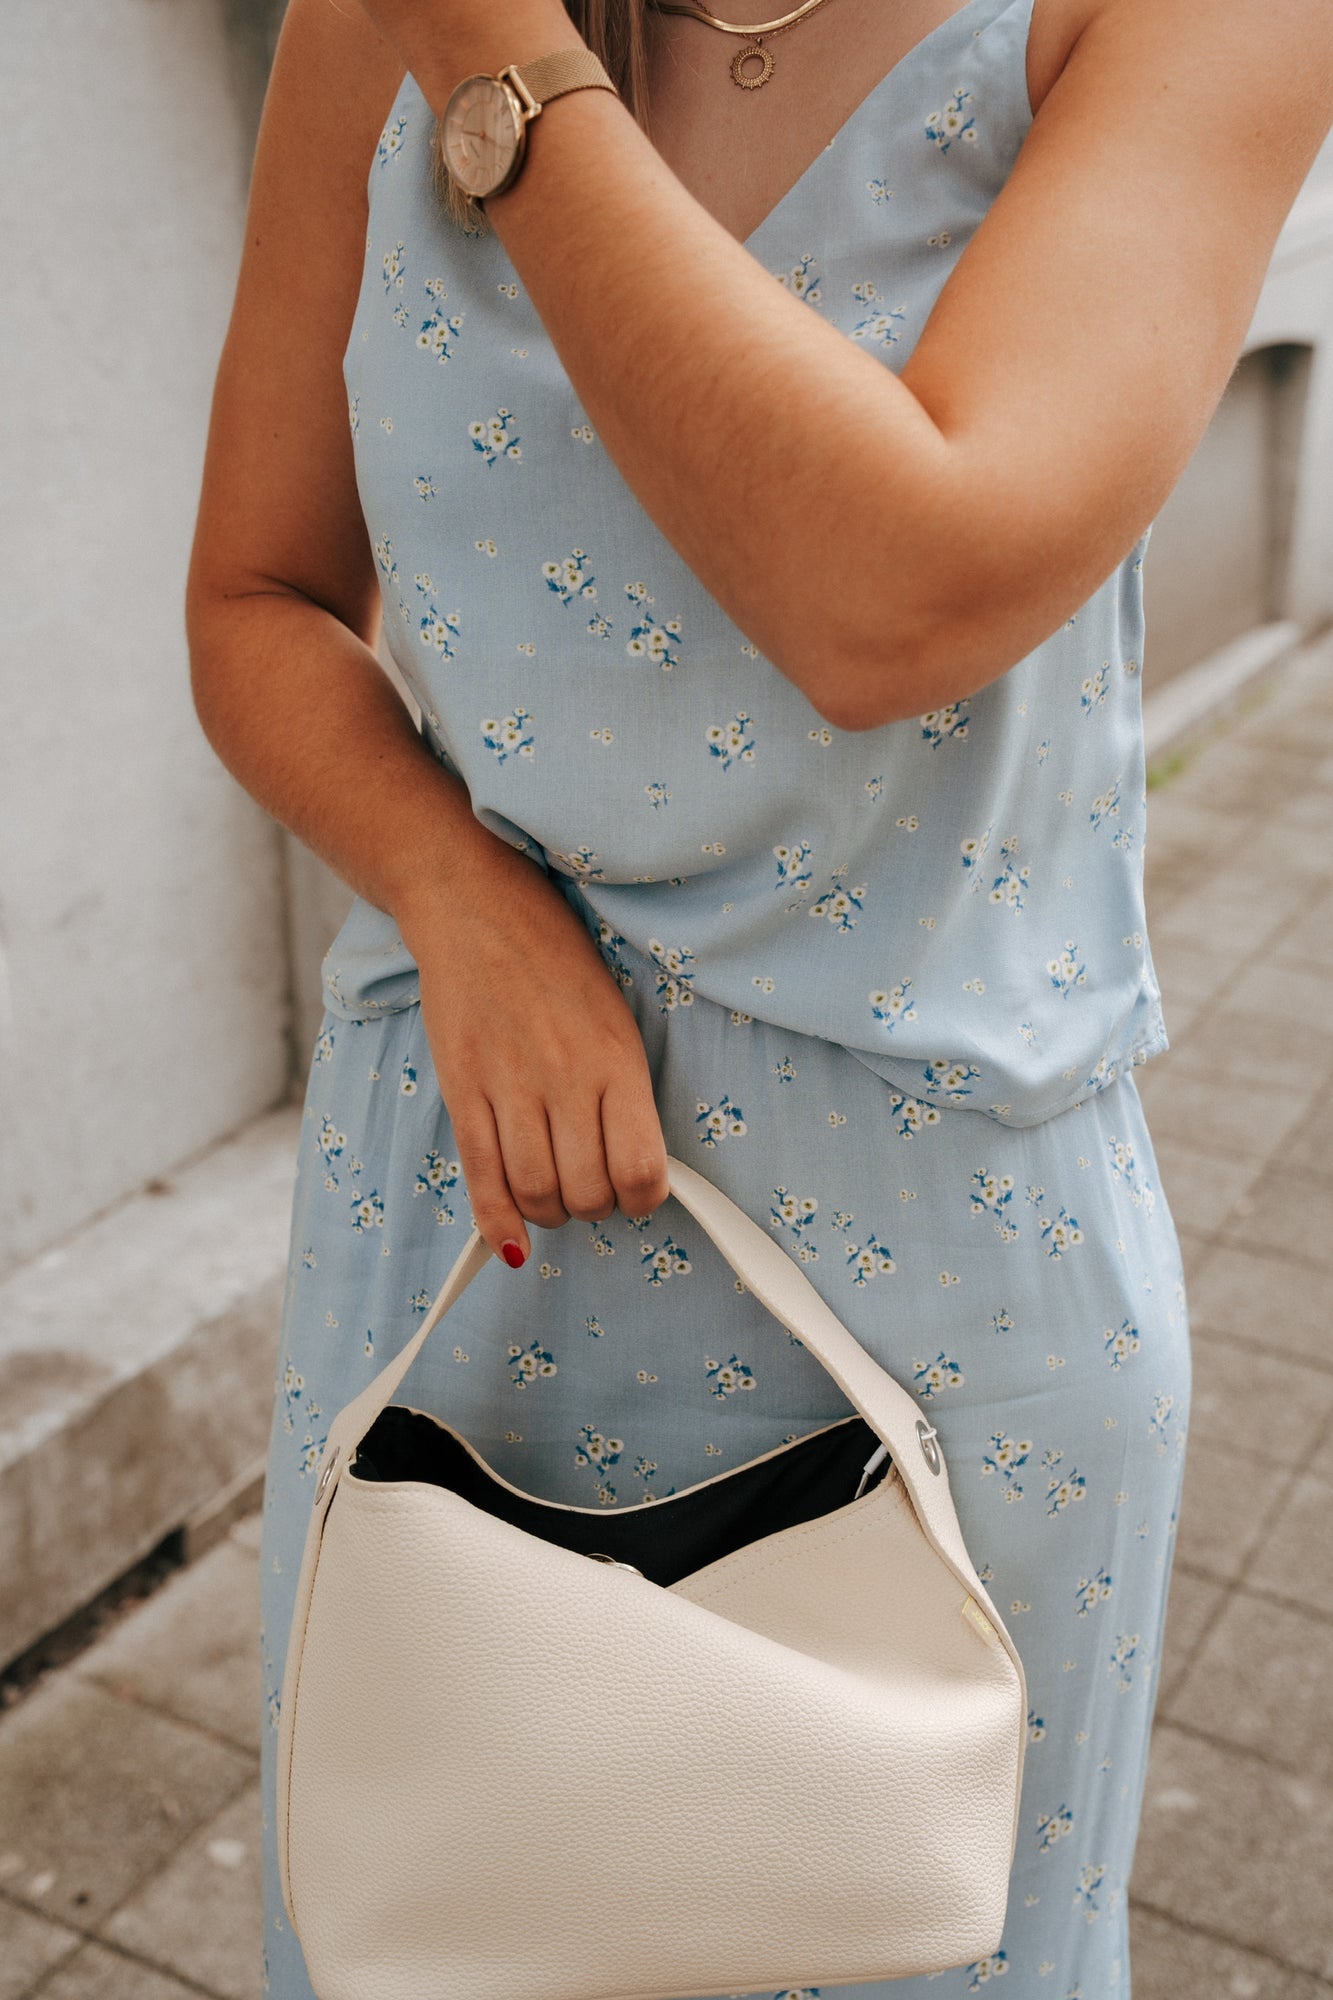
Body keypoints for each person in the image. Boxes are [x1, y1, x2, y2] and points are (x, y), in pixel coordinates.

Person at [185, 0, 1333, 1992]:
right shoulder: (359, 32)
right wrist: (457, 891)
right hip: (476, 1205)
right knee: (422, 1928)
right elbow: (253, 597)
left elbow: (889, 594)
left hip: (942, 1281)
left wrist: (499, 61)